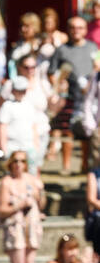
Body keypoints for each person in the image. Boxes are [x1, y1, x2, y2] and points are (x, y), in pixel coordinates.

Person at [0, 151, 46, 263]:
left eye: (22, 161)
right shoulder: (7, 182)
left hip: (31, 227)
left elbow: (41, 205)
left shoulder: (31, 180)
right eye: (15, 160)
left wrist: (41, 192)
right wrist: (19, 206)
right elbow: (1, 210)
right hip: (15, 228)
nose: (18, 164)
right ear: (10, 163)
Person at [50, 15, 99, 175]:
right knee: (67, 132)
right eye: (73, 27)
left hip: (90, 98)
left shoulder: (93, 48)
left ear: (85, 30)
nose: (76, 31)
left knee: (87, 132)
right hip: (68, 96)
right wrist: (59, 85)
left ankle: (85, 165)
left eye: (80, 27)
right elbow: (52, 72)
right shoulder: (62, 49)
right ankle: (66, 165)